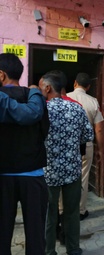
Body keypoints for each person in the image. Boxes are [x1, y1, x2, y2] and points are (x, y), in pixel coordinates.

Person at [0, 53, 49, 255]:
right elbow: (44, 131)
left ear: (1, 75)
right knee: (36, 234)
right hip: (33, 174)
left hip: (2, 176)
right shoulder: (34, 98)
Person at [40, 72, 94, 255]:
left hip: (48, 172)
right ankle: (73, 249)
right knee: (71, 213)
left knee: (49, 214)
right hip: (72, 170)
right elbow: (88, 136)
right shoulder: (76, 108)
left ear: (48, 88)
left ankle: (49, 251)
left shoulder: (41, 109)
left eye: (41, 86)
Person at [67, 72, 104, 220]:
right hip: (85, 145)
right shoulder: (93, 101)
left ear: (75, 83)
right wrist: (100, 150)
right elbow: (99, 129)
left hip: (66, 145)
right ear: (88, 86)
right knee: (82, 177)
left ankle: (63, 209)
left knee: (66, 176)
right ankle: (80, 211)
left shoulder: (65, 97)